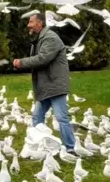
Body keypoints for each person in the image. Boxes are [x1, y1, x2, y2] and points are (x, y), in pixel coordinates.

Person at [13, 12, 76, 152]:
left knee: (61, 117)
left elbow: (42, 58)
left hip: (55, 85)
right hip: (46, 85)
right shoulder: (39, 39)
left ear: (40, 23)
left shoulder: (50, 38)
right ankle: (38, 145)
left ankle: (70, 148)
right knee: (37, 116)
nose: (28, 25)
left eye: (31, 22)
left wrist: (21, 62)